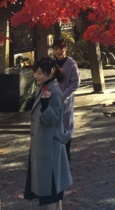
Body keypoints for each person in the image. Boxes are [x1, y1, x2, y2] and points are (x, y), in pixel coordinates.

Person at [24, 57, 73, 209]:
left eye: (39, 73)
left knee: (50, 192)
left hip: (49, 146)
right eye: (35, 73)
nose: (36, 76)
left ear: (51, 72)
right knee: (54, 190)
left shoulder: (54, 91)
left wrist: (45, 106)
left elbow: (52, 120)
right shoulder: (45, 87)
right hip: (44, 144)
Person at [52, 38, 80, 161]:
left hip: (66, 99)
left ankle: (66, 155)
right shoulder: (51, 63)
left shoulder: (71, 63)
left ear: (65, 48)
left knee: (66, 126)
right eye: (56, 49)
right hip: (52, 98)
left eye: (61, 48)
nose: (59, 51)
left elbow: (75, 83)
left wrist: (64, 95)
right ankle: (57, 155)